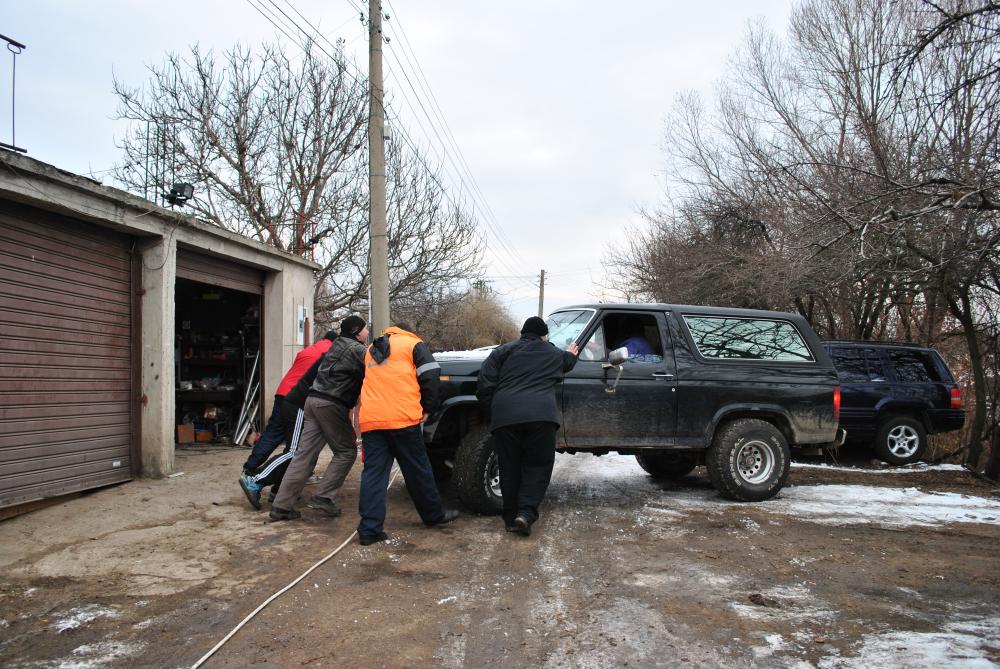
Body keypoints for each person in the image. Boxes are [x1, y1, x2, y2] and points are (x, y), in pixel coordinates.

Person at [355, 323, 459, 545]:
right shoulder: (414, 344)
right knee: (418, 470)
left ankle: (369, 530)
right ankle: (433, 516)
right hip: (403, 420)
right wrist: (429, 408)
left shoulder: (371, 349)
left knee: (374, 474)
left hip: (372, 421)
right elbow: (432, 377)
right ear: (408, 331)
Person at [477, 316, 580, 536]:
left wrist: (494, 412)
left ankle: (510, 517)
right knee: (537, 465)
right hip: (541, 418)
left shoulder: (502, 352)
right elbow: (568, 362)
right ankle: (525, 513)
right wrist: (572, 353)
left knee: (509, 466)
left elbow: (484, 384)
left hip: (506, 417)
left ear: (523, 333)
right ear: (544, 335)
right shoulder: (552, 352)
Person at [269, 316, 369, 521]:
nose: (368, 332)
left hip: (311, 401)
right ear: (357, 331)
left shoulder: (336, 345)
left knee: (303, 455)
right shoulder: (357, 350)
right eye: (366, 329)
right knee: (346, 451)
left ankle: (281, 506)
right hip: (331, 404)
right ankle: (323, 497)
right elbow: (378, 368)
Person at [240, 329, 337, 479]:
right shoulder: (331, 352)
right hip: (298, 398)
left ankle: (249, 468)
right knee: (296, 444)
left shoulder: (309, 350)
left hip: (282, 392)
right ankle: (279, 478)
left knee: (272, 433)